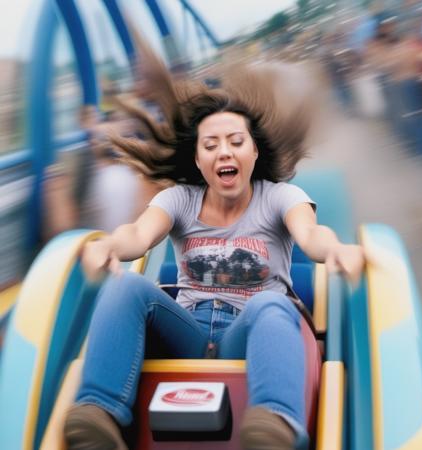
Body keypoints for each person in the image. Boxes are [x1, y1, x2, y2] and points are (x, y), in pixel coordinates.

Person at [63, 46, 365, 450]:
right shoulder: (179, 200)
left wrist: (337, 250)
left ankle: (273, 425)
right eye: (211, 145)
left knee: (272, 304)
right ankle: (98, 416)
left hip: (252, 330)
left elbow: (311, 235)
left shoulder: (280, 196)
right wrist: (111, 245)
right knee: (127, 288)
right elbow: (138, 235)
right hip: (186, 332)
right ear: (199, 159)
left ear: (253, 152)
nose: (224, 150)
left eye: (236, 141)